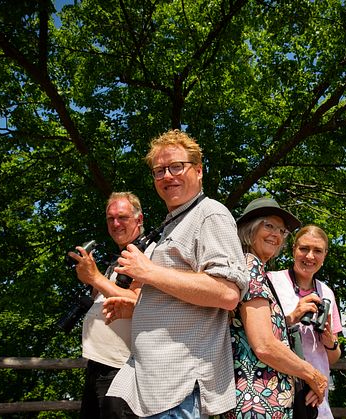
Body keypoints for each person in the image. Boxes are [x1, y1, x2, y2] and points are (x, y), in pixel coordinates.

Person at [104, 129, 248, 418]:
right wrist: (137, 306)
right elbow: (179, 295)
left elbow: (228, 293)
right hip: (156, 385)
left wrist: (149, 271)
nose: (167, 176)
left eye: (176, 167)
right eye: (159, 171)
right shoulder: (175, 221)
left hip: (179, 387)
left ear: (198, 170)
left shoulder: (211, 214)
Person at [224, 197, 328, 418]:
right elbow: (264, 345)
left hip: (261, 399)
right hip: (257, 402)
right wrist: (313, 375)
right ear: (248, 228)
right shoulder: (250, 267)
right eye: (268, 225)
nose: (276, 234)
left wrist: (289, 319)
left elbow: (253, 329)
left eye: (281, 230)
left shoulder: (254, 269)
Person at [67, 192, 148, 419]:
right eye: (110, 218)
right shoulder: (118, 259)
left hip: (122, 367)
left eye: (122, 217)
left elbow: (137, 301)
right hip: (98, 363)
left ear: (139, 220)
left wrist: (95, 278)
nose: (115, 223)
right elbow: (105, 296)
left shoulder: (146, 253)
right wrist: (91, 276)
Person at [268, 225, 344, 419]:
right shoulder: (271, 282)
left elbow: (333, 357)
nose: (310, 256)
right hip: (277, 387)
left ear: (325, 255)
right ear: (293, 249)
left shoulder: (326, 293)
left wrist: (330, 341)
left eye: (317, 250)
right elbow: (259, 338)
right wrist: (292, 317)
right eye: (304, 249)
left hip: (315, 394)